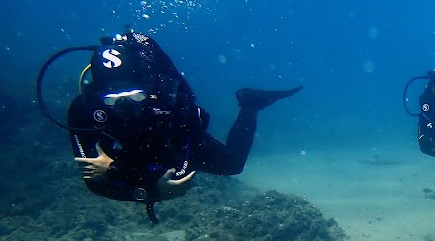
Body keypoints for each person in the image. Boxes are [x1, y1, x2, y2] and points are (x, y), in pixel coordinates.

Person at [67, 30, 301, 221]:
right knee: (124, 170)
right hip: (131, 154)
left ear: (145, 88)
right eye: (113, 101)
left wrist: (115, 171)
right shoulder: (83, 111)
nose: (127, 107)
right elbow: (94, 184)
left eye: (135, 96)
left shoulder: (168, 98)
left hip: (172, 138)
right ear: (98, 96)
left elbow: (182, 162)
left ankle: (250, 105)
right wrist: (152, 191)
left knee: (233, 164)